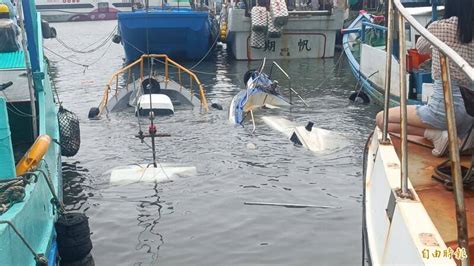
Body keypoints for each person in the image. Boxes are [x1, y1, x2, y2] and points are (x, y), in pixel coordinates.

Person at [375, 0, 474, 157]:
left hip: (443, 110)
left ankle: (437, 136)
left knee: (382, 119)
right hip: (470, 114)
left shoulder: (441, 26)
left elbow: (420, 47)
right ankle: (464, 138)